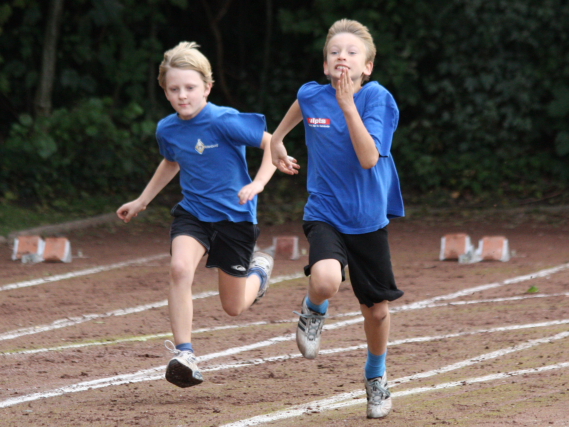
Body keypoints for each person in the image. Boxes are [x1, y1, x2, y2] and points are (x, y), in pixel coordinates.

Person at [116, 41, 276, 389]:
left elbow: (274, 144)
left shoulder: (224, 120)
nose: (182, 96)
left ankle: (260, 270)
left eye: (190, 87)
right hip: (194, 214)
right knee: (179, 268)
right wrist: (142, 200)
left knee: (233, 307)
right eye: (174, 89)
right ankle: (185, 353)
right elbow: (171, 161)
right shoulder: (167, 129)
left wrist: (259, 183)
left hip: (235, 219)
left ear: (207, 87)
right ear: (165, 91)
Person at [270, 19, 405, 419]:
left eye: (351, 52)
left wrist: (347, 105)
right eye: (334, 52)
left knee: (376, 311)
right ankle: (313, 308)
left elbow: (368, 158)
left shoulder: (377, 98)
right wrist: (277, 140)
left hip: (367, 219)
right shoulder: (312, 94)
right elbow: (302, 104)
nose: (341, 57)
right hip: (324, 211)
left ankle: (375, 376)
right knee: (327, 279)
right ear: (325, 64)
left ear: (368, 67)